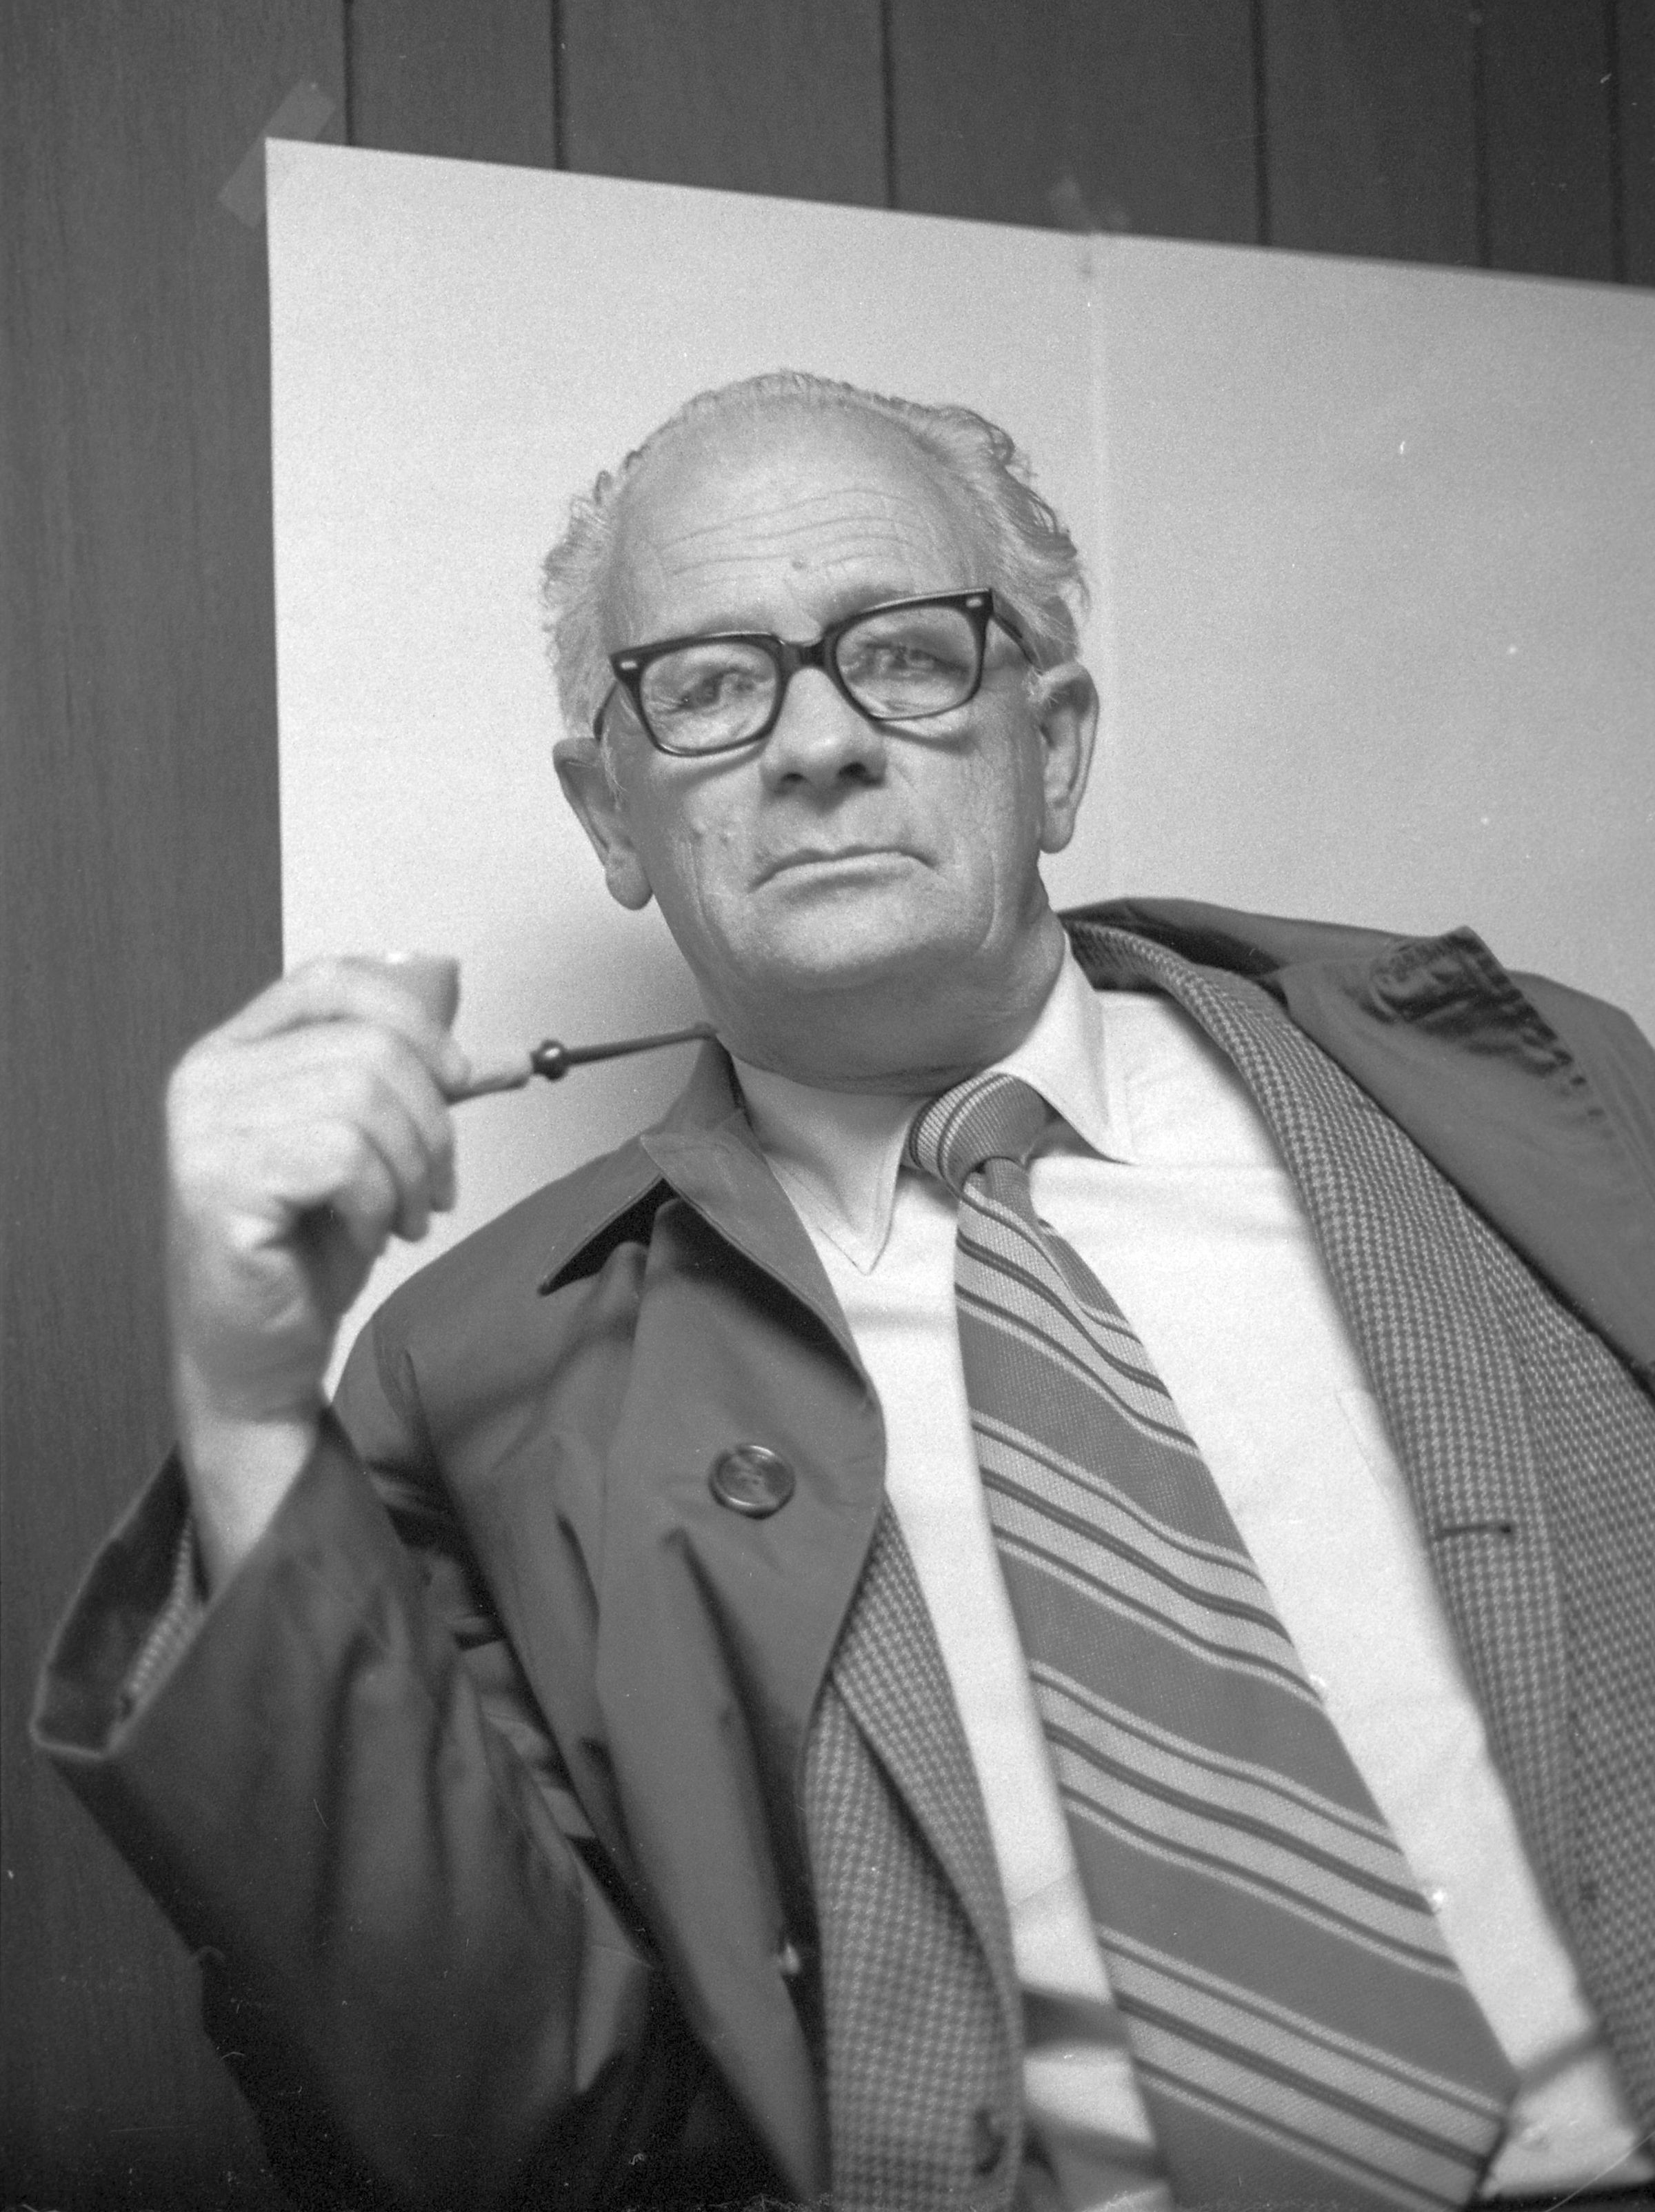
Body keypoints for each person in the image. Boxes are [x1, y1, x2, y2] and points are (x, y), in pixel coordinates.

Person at [35, 372, 1655, 2212]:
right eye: (711, 686)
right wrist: (248, 1408)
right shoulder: (475, 1381)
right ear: (613, 816)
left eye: (904, 652)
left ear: (1054, 745)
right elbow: (506, 2127)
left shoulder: (1527, 1097)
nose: (818, 742)